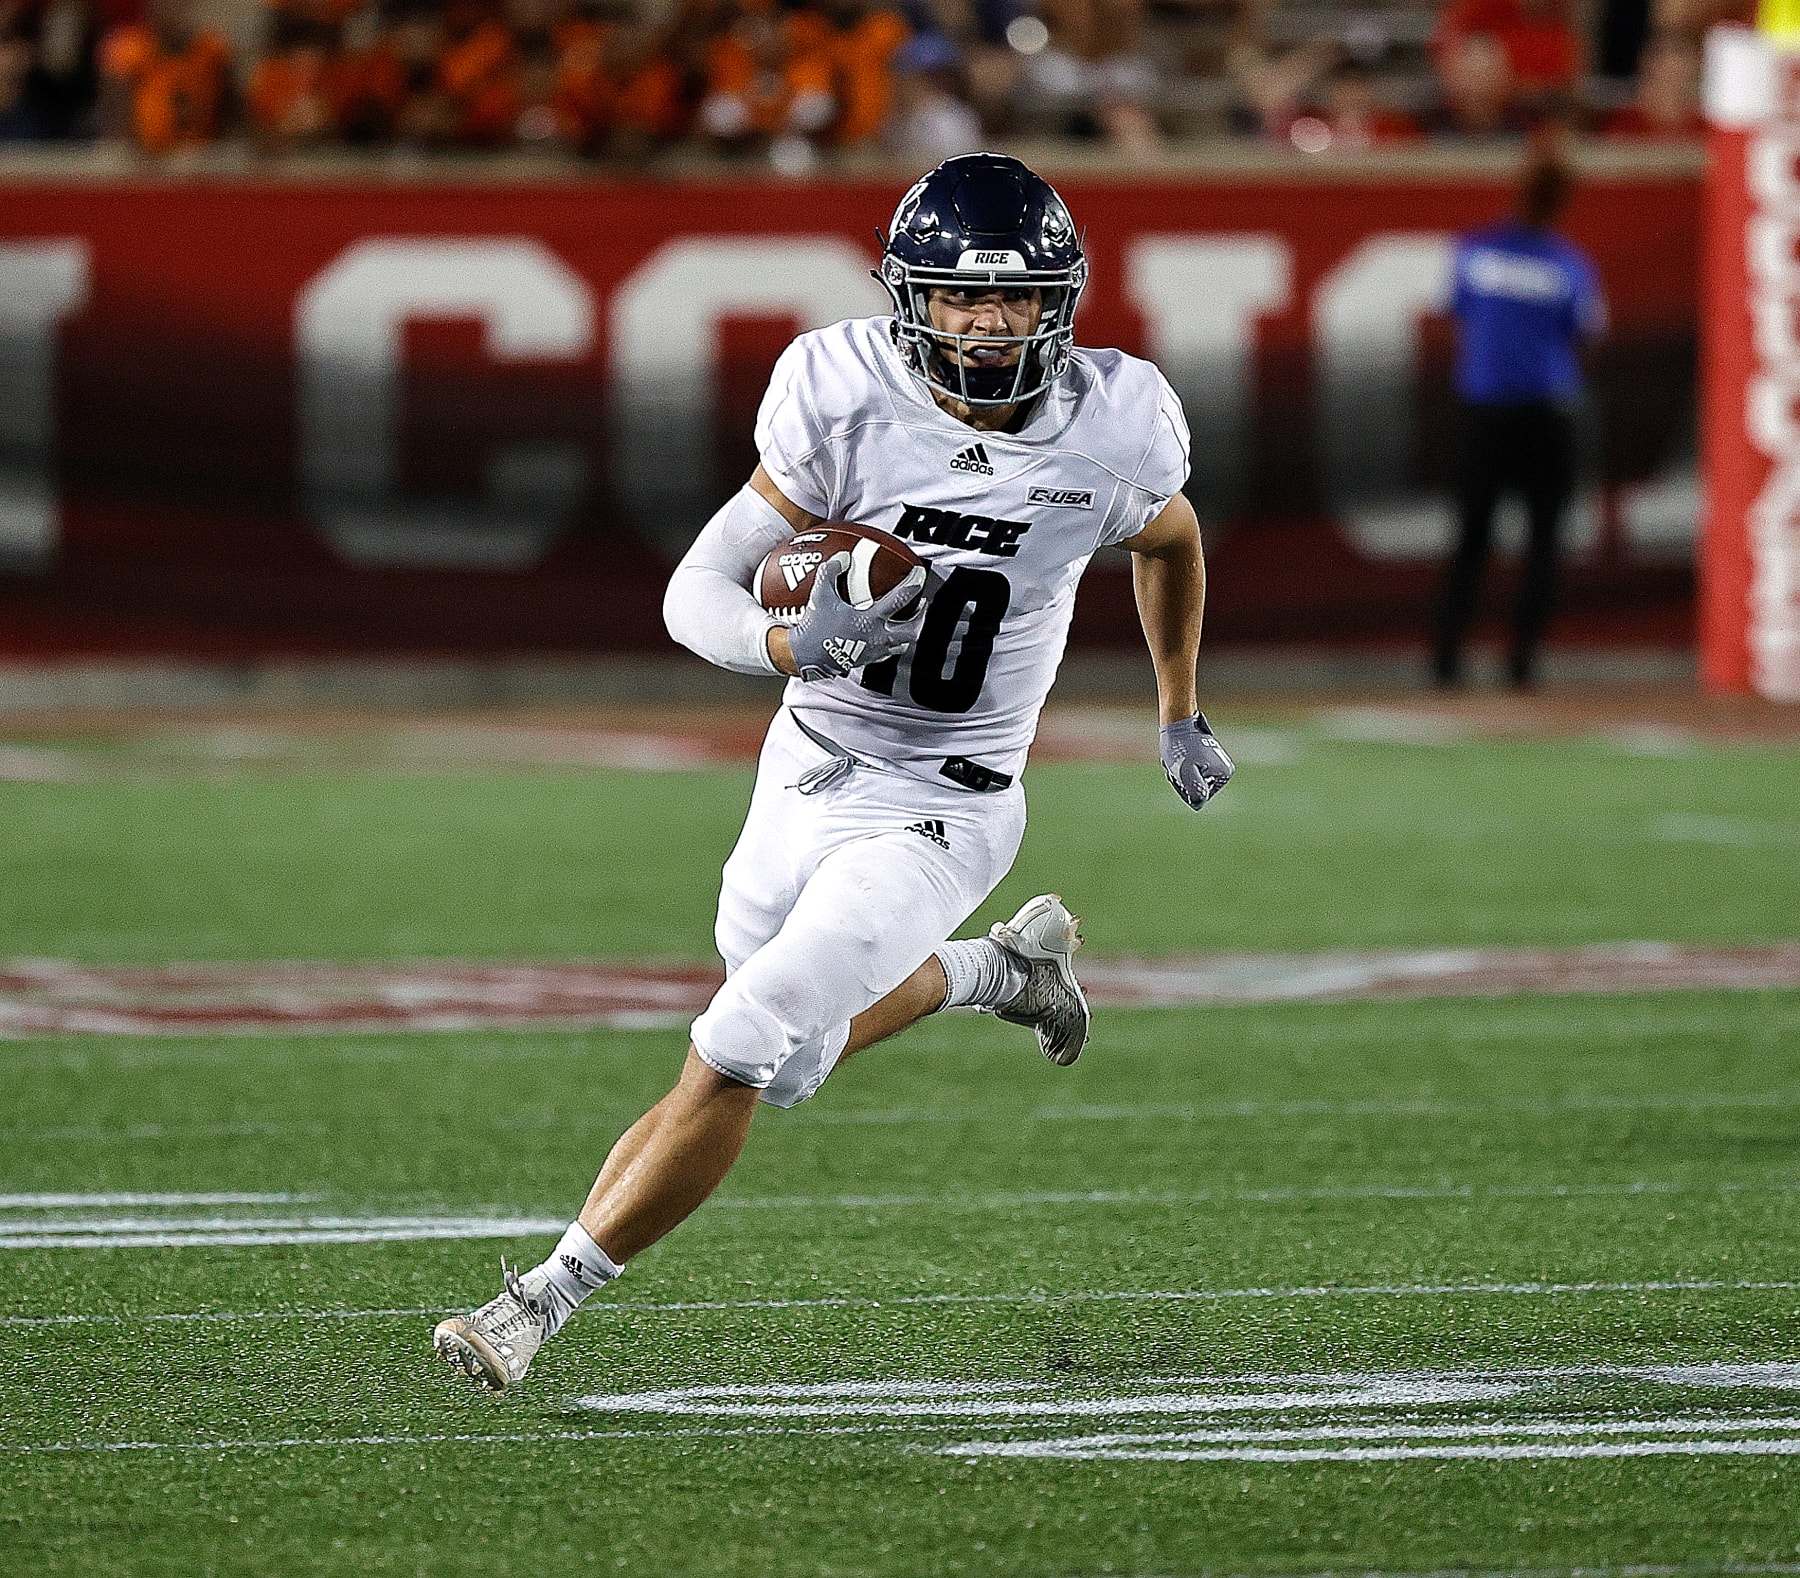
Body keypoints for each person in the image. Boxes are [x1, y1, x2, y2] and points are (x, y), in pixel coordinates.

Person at [432, 152, 1235, 1393]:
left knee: (744, 1038)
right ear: (910, 298)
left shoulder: (1117, 425)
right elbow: (690, 586)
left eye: (1015, 298)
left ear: (1059, 301)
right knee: (795, 1060)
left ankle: (539, 1300)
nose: (987, 323)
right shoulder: (840, 390)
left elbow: (1170, 540)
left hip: (947, 806)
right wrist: (783, 644)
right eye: (961, 298)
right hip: (802, 769)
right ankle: (999, 970)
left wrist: (1178, 708)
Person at [1433, 156, 1605, 690]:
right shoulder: (1571, 265)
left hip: (1486, 413)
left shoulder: (1476, 251)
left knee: (1472, 540)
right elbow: (1587, 329)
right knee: (1542, 544)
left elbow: (1456, 309)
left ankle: (1448, 660)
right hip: (1545, 415)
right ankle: (1520, 662)